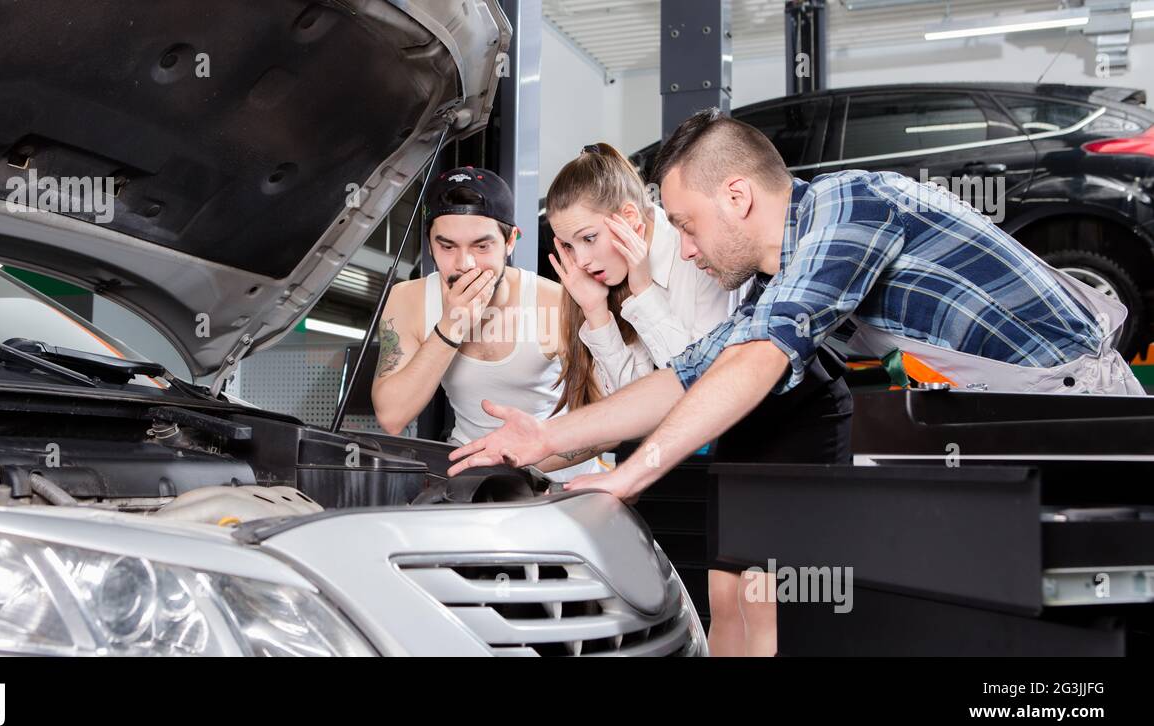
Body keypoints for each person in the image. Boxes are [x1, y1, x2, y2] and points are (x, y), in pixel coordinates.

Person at [447, 109, 1145, 655]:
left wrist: (632, 476)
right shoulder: (784, 278)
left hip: (1082, 426)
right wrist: (547, 435)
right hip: (1008, 433)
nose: (683, 248)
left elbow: (758, 357)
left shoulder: (853, 206)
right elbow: (695, 371)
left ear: (739, 196)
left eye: (687, 226)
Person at [371, 166, 614, 482]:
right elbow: (392, 417)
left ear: (510, 241)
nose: (465, 264)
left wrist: (518, 462)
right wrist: (451, 326)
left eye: (482, 246)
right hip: (469, 475)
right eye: (447, 246)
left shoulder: (557, 303)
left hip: (557, 475)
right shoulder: (408, 300)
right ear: (429, 243)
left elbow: (609, 425)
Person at [546, 143, 746, 410]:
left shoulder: (696, 251)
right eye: (569, 246)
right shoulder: (607, 275)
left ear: (629, 216)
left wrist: (643, 291)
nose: (580, 261)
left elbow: (703, 384)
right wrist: (596, 312)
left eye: (589, 238)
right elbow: (630, 407)